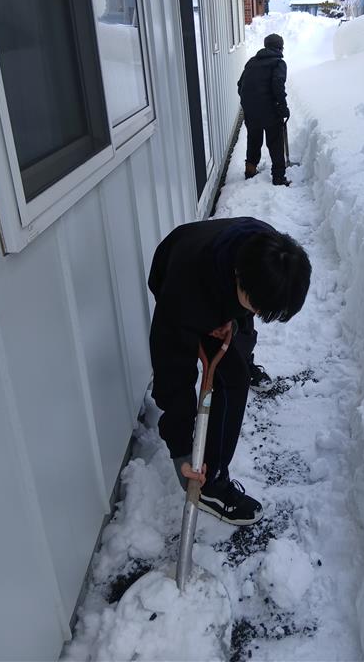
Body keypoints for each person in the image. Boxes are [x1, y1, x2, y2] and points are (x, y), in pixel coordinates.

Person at [148, 216, 311, 525]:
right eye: (257, 307)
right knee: (232, 379)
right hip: (175, 269)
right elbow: (172, 377)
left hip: (217, 271)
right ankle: (210, 484)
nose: (260, 313)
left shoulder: (271, 251)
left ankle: (242, 352)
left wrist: (234, 320)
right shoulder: (184, 296)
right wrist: (182, 451)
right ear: (239, 277)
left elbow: (248, 309)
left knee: (241, 341)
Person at [238, 33, 291, 186]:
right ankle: (278, 177)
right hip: (270, 111)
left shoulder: (252, 62)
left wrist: (249, 103)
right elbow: (278, 85)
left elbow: (240, 85)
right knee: (275, 142)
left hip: (250, 110)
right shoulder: (279, 63)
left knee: (253, 140)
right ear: (280, 47)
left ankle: (250, 171)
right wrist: (283, 107)